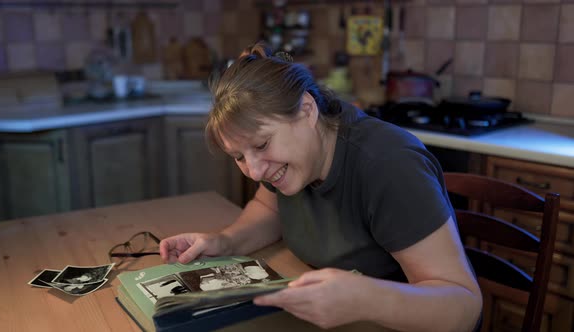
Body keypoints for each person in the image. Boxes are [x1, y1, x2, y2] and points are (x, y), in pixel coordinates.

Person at [159, 41, 482, 331]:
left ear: (307, 109)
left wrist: (366, 298)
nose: (254, 172)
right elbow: (267, 209)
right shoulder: (292, 160)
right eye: (238, 156)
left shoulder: (389, 165)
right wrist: (225, 242)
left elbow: (464, 309)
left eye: (262, 145)